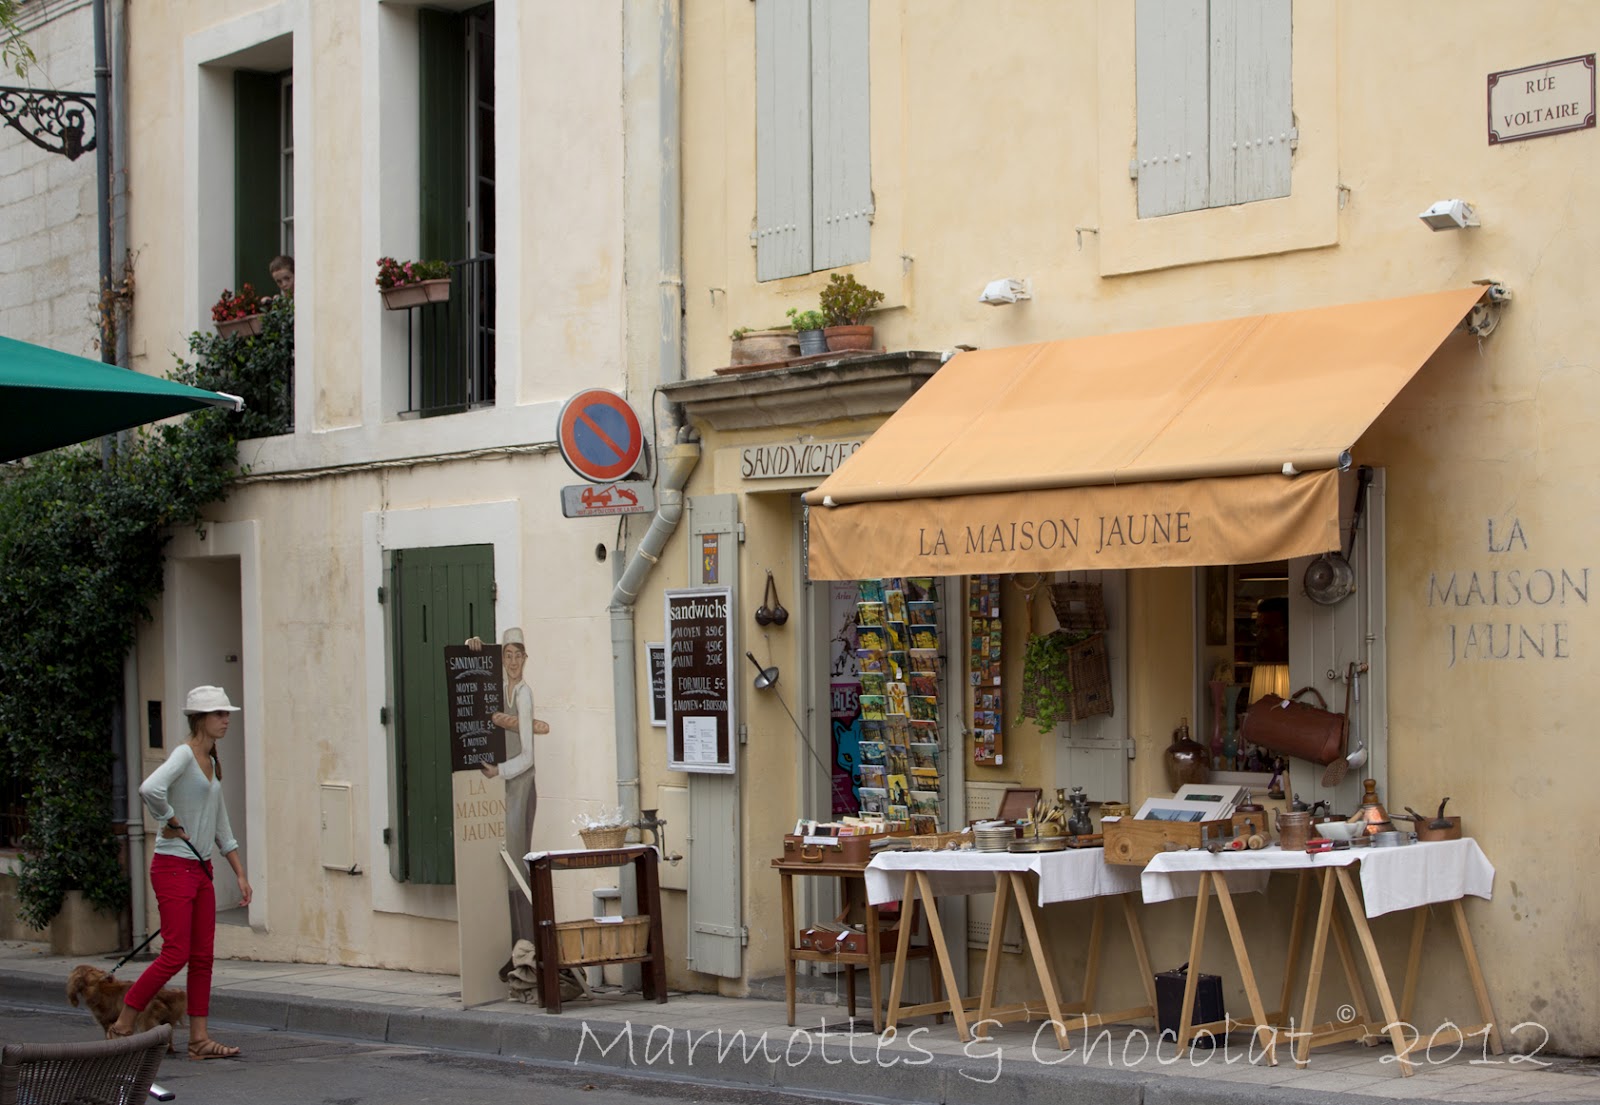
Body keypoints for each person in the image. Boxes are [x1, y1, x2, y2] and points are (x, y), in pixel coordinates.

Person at [109, 686, 252, 1060]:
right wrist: (167, 818)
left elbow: (221, 824)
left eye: (227, 713)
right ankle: (123, 1024)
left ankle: (200, 1039)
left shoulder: (212, 762)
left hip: (200, 869)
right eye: (219, 714)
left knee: (203, 956)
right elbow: (149, 788)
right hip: (173, 866)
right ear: (200, 719)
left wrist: (238, 872)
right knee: (175, 954)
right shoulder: (184, 755)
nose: (226, 720)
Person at [465, 628, 548, 947]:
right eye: (507, 655)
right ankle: (514, 942)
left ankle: (526, 942)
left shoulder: (524, 695)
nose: (513, 661)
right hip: (504, 786)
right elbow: (475, 682)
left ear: (525, 659)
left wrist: (499, 770)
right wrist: (473, 648)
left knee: (516, 862)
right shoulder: (500, 689)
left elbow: (527, 756)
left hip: (520, 785)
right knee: (503, 863)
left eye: (518, 655)